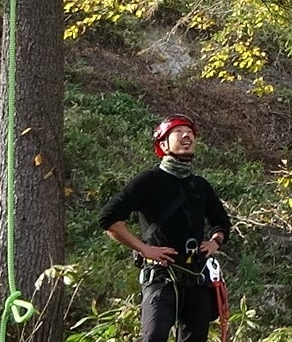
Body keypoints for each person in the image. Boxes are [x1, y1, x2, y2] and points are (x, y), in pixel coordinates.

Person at [99, 114, 233, 342]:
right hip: (161, 277)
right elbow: (108, 218)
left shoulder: (200, 186)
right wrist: (144, 249)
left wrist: (215, 242)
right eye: (178, 132)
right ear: (163, 145)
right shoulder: (148, 182)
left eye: (189, 133)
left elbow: (222, 222)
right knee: (154, 336)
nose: (186, 136)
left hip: (196, 278)